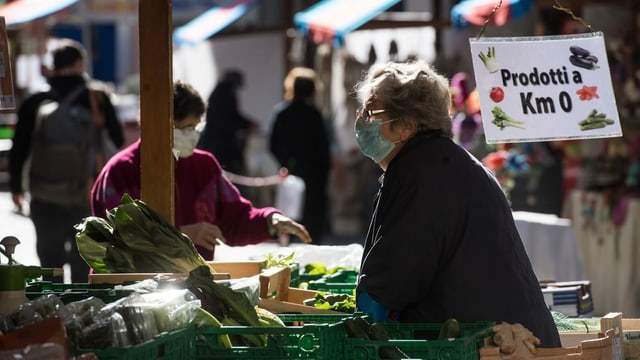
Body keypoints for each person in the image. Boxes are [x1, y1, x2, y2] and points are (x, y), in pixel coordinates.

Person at [352, 60, 561, 348]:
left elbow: (392, 280)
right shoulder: (444, 161)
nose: (361, 120)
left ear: (407, 126)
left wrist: (362, 323)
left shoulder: (418, 173)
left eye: (371, 112)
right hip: (509, 337)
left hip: (494, 345)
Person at [91, 80, 311, 261]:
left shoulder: (205, 166)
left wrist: (270, 221)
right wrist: (183, 234)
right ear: (154, 125)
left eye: (195, 127)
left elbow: (235, 220)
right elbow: (121, 237)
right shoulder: (120, 171)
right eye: (184, 128)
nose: (192, 135)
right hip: (128, 289)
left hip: (192, 287)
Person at [9, 38, 124, 283]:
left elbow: (19, 148)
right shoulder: (97, 97)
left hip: (43, 192)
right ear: (79, 63)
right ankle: (80, 306)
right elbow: (117, 138)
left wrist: (17, 186)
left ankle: (54, 310)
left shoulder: (36, 99)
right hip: (85, 190)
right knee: (84, 253)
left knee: (50, 256)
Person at [269, 67, 331, 243]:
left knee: (289, 214)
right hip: (314, 176)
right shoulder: (314, 114)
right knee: (312, 219)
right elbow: (323, 148)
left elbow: (272, 145)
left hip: (290, 172)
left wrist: (285, 163)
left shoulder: (282, 113)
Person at [197, 69, 258, 179]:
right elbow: (229, 118)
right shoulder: (225, 95)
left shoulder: (218, 93)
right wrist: (247, 125)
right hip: (223, 148)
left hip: (217, 145)